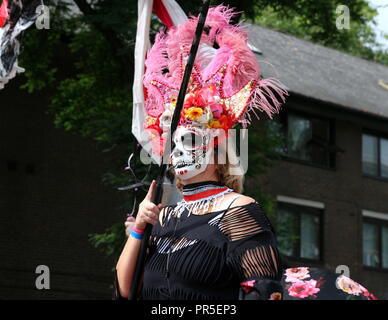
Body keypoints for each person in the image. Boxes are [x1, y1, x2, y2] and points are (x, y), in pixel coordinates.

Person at [114, 5, 288, 300]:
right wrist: (140, 230)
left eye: (191, 140)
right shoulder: (163, 217)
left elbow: (264, 292)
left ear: (217, 148)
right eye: (173, 143)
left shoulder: (239, 211)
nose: (179, 151)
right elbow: (124, 291)